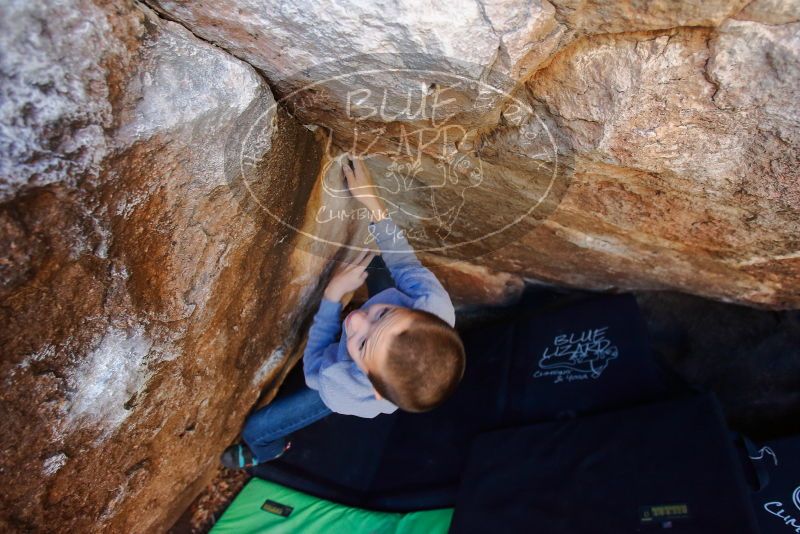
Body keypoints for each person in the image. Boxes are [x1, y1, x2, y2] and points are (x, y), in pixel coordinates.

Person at [221, 156, 465, 469]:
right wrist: (372, 204)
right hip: (375, 358)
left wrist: (333, 296)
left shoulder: (343, 389)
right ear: (422, 314)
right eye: (383, 314)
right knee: (380, 262)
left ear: (375, 384)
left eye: (363, 343)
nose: (357, 318)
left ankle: (267, 451)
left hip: (336, 381)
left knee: (256, 429)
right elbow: (404, 264)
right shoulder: (432, 302)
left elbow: (313, 367)